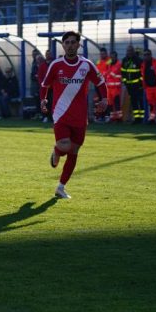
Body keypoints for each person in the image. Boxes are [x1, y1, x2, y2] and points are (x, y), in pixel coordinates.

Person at [40, 30, 107, 200]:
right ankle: (56, 151)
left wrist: (104, 99)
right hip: (60, 114)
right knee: (63, 145)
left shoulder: (87, 65)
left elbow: (100, 82)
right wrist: (43, 100)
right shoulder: (56, 65)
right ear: (63, 45)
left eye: (73, 42)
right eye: (67, 42)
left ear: (78, 45)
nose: (70, 45)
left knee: (74, 151)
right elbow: (45, 85)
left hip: (80, 117)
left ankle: (61, 188)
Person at [140, 49, 156, 124]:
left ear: (151, 55)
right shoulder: (143, 65)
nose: (146, 56)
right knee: (151, 104)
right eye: (145, 55)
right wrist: (144, 85)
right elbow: (142, 76)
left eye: (148, 54)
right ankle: (152, 119)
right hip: (148, 87)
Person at [120, 45, 144, 123]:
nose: (129, 52)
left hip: (138, 85)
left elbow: (142, 73)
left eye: (130, 51)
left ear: (133, 51)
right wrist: (125, 82)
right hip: (129, 86)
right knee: (133, 101)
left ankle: (142, 118)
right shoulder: (124, 60)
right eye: (128, 51)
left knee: (140, 101)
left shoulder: (138, 60)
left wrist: (140, 83)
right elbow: (123, 72)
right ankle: (137, 118)